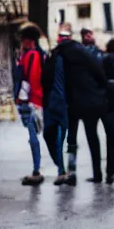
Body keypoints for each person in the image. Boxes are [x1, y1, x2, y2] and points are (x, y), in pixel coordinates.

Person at [50, 23, 108, 185]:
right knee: (92, 137)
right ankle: (97, 173)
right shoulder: (81, 51)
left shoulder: (57, 54)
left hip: (71, 102)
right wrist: (101, 89)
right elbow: (98, 71)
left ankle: (71, 171)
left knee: (71, 139)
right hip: (89, 99)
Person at [82, 38, 114, 184]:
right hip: (111, 104)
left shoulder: (98, 59)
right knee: (112, 138)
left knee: (93, 137)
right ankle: (111, 172)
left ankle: (97, 173)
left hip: (95, 101)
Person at [15, 22, 45, 186]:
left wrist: (30, 101)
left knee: (33, 137)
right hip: (31, 100)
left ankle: (36, 170)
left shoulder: (32, 55)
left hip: (31, 101)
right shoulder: (32, 54)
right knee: (33, 136)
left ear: (28, 40)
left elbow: (31, 79)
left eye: (22, 39)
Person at [42, 30, 71, 185]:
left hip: (59, 101)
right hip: (54, 101)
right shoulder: (53, 57)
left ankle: (61, 169)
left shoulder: (60, 57)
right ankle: (61, 167)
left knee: (58, 136)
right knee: (53, 135)